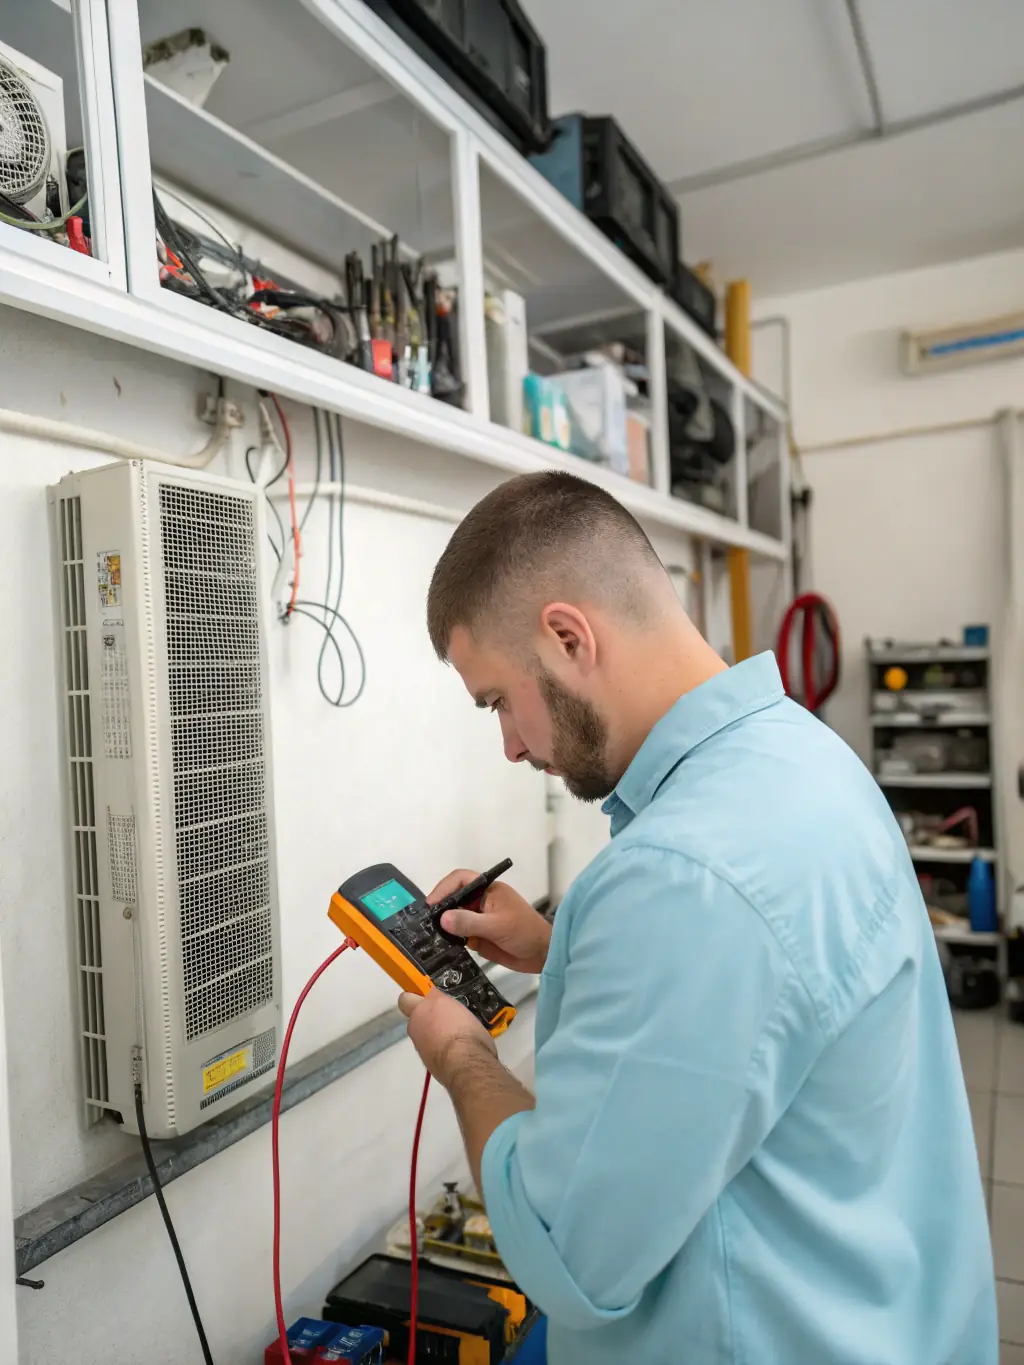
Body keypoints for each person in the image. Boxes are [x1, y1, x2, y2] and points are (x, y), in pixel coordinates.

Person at [398, 471, 996, 1365]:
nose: (512, 745)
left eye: (497, 702)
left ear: (568, 637)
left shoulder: (682, 878)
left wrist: (462, 1055)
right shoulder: (800, 757)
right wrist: (558, 951)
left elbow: (568, 1254)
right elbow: (771, 1013)